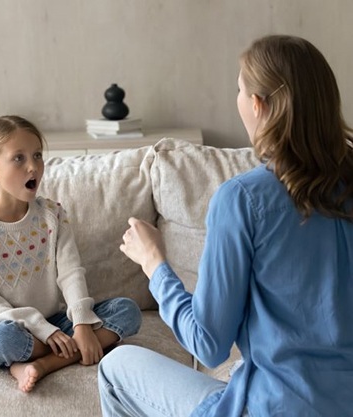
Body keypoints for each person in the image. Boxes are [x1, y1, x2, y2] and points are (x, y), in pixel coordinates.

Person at [98, 34, 353, 416]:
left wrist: (154, 263)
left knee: (114, 368)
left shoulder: (243, 198)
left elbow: (208, 343)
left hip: (274, 408)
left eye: (238, 89)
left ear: (257, 104)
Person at [0, 115, 141, 393]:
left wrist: (80, 324)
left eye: (37, 155)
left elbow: (70, 272)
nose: (33, 167)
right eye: (18, 158)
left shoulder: (52, 214)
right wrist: (42, 329)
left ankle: (40, 364)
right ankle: (64, 352)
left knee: (127, 311)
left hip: (52, 321)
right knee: (3, 341)